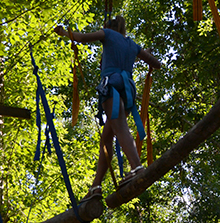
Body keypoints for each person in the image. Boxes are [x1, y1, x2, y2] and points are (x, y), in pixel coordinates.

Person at [54, 16, 162, 201]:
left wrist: (64, 32)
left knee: (120, 128)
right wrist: (145, 55)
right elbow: (157, 64)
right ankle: (96, 186)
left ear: (109, 26)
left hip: (111, 84)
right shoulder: (132, 45)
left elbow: (80, 37)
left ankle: (137, 168)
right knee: (106, 139)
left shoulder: (108, 34)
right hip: (127, 88)